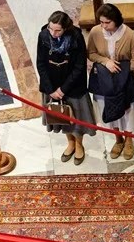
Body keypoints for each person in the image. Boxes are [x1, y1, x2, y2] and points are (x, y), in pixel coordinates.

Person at [37, 11, 96, 166]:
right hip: (52, 86)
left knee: (76, 119)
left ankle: (78, 144)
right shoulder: (43, 35)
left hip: (72, 85)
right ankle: (69, 143)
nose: (53, 33)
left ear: (66, 28)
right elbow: (41, 63)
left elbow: (79, 66)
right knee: (61, 117)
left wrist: (63, 90)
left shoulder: (76, 37)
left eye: (58, 30)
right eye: (51, 29)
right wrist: (51, 89)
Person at [87, 3, 134, 161]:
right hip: (104, 81)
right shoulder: (96, 31)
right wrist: (106, 62)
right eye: (101, 22)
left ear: (116, 21)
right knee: (109, 109)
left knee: (127, 111)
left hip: (124, 81)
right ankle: (118, 140)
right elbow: (91, 53)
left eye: (107, 22)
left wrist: (120, 71)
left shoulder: (129, 34)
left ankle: (129, 140)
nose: (104, 26)